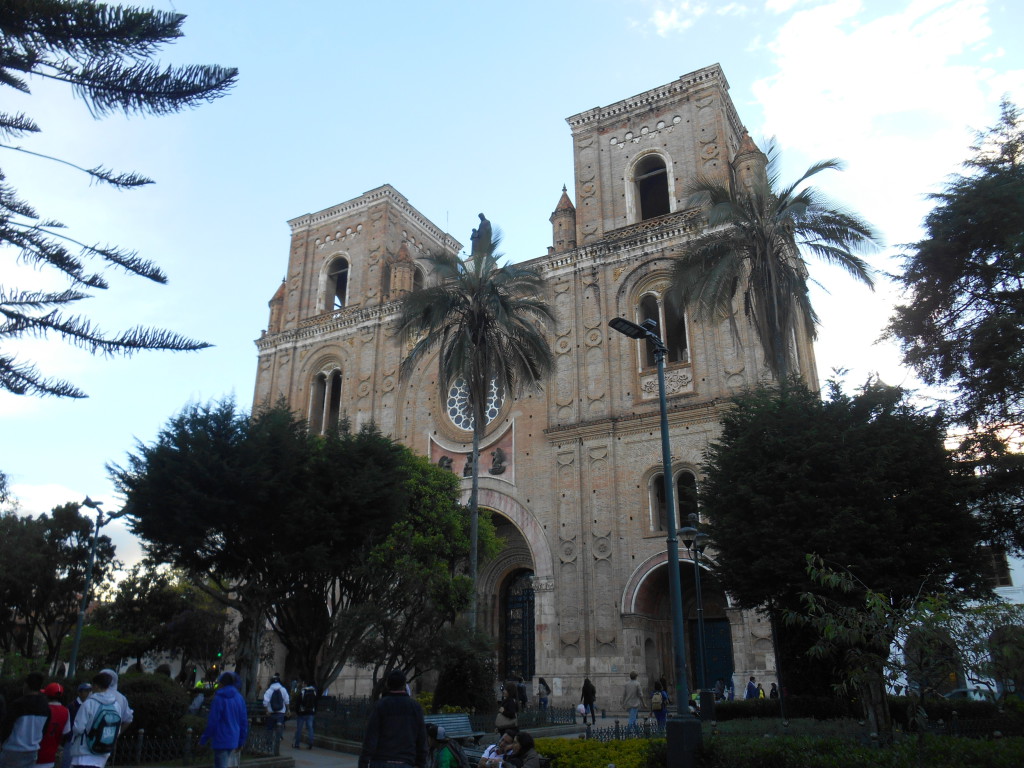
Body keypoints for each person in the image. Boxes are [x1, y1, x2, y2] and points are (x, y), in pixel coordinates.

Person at [358, 669, 427, 768]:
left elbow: (371, 737)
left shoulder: (380, 705)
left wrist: (363, 762)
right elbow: (421, 739)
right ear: (404, 685)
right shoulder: (415, 707)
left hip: (381, 761)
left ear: (388, 685)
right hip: (405, 761)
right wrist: (420, 763)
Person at [69, 671, 133, 768]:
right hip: (103, 753)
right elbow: (117, 728)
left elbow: (78, 728)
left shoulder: (89, 703)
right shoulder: (116, 705)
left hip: (83, 753)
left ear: (95, 686)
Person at [1, 672, 50, 768]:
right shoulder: (45, 707)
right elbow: (44, 729)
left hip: (13, 749)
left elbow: (7, 726)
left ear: (26, 685)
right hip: (32, 750)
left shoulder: (18, 704)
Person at [199, 672, 248, 768]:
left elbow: (213, 721)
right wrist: (241, 741)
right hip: (234, 738)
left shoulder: (219, 698)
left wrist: (203, 739)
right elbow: (243, 722)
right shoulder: (239, 698)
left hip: (220, 738)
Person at [35, 683, 70, 768]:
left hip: (34, 755)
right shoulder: (66, 711)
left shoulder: (41, 709)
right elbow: (66, 732)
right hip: (50, 756)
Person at [59, 687, 89, 768]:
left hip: (83, 741)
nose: (88, 693)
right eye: (86, 691)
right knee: (67, 763)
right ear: (80, 693)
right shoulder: (72, 706)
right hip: (71, 739)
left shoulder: (89, 705)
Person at [292, 681, 316, 750]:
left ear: (305, 684)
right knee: (310, 728)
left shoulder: (303, 692)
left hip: (302, 713)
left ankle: (297, 744)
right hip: (311, 712)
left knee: (299, 729)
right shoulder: (314, 692)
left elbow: (298, 703)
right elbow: (316, 703)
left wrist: (297, 712)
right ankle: (311, 743)